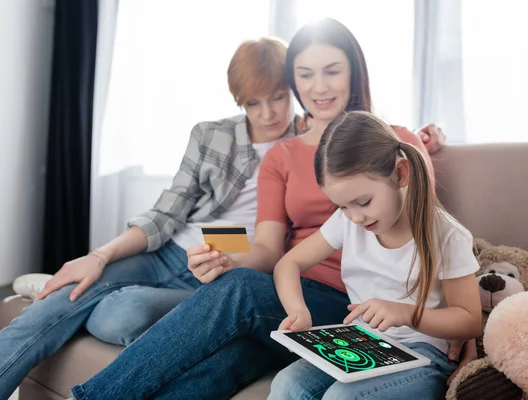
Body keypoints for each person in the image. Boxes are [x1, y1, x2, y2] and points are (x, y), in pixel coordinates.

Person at [66, 19, 452, 400]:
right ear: (293, 82)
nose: (319, 87)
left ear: (354, 71)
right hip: (289, 299)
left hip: (356, 305)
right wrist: (227, 263)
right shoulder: (281, 155)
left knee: (238, 291)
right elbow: (268, 249)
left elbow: (426, 233)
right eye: (305, 74)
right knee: (218, 366)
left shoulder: (397, 141)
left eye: (332, 71)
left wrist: (456, 326)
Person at [0, 37, 305, 400]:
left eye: (278, 97)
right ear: (239, 101)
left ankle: (100, 296)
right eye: (254, 103)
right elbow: (166, 211)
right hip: (170, 251)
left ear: (293, 91)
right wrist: (99, 256)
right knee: (56, 304)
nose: (268, 114)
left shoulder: (307, 143)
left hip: (219, 274)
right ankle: (76, 290)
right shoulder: (212, 134)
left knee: (119, 316)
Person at [269, 110, 482, 400]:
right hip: (362, 343)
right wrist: (298, 311)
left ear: (401, 173)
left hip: (424, 352)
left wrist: (405, 314)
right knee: (287, 384)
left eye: (363, 202)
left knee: (342, 398)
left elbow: (469, 320)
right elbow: (288, 264)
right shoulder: (348, 222)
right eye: (342, 206)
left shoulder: (446, 235)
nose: (355, 217)